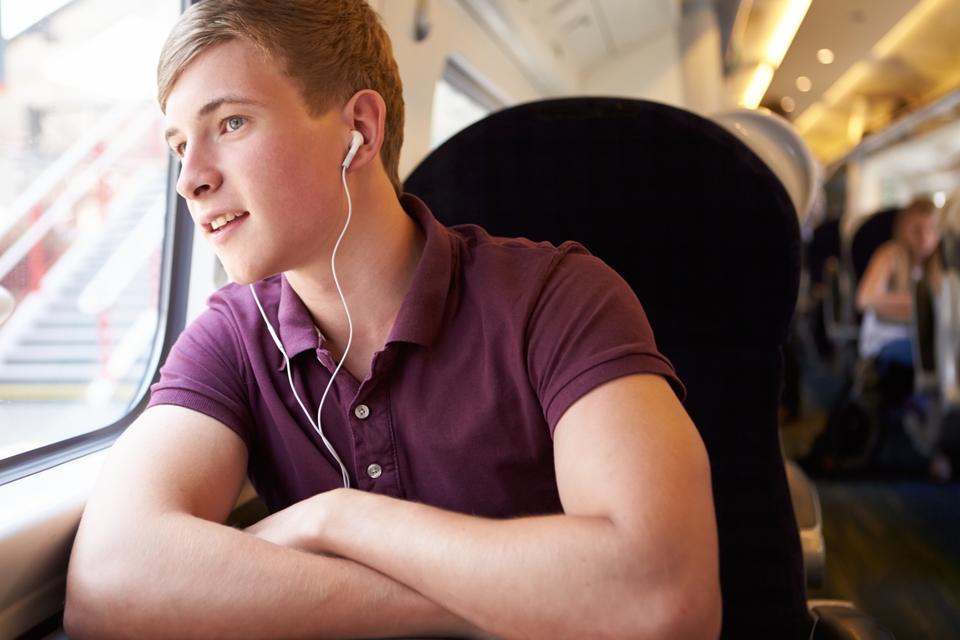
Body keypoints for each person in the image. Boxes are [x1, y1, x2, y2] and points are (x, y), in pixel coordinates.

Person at [64, 1, 721, 638]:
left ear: (361, 131)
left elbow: (662, 596)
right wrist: (515, 603)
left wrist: (337, 520)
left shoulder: (559, 298)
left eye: (231, 123)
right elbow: (107, 581)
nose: (190, 180)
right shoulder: (231, 338)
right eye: (180, 144)